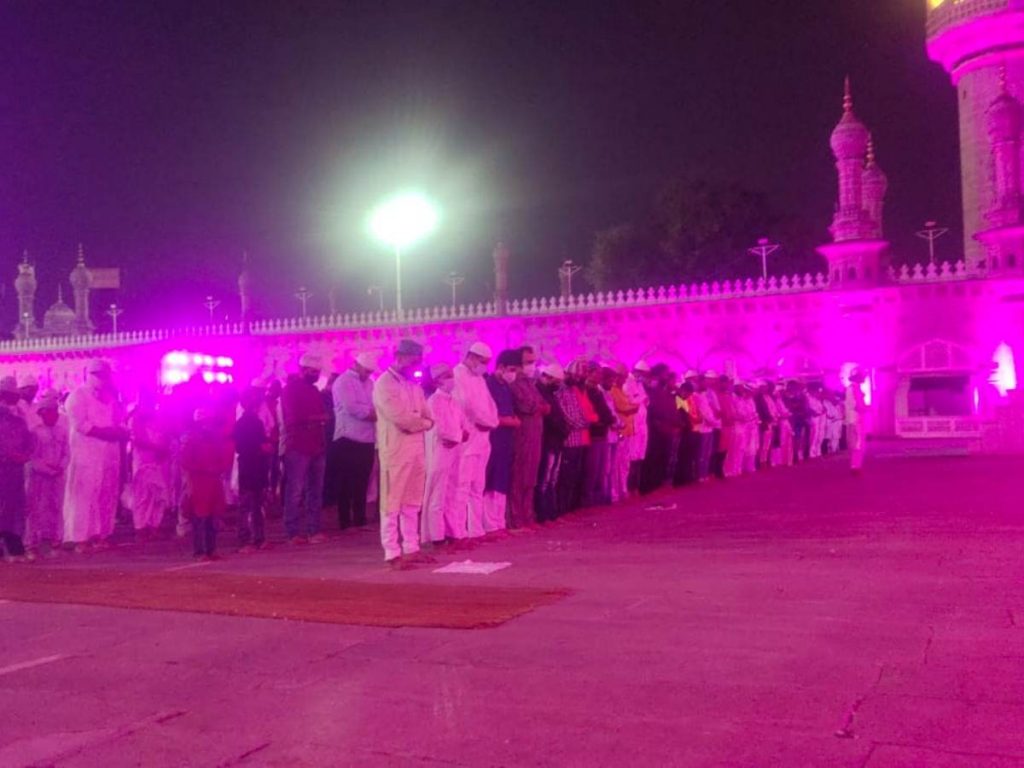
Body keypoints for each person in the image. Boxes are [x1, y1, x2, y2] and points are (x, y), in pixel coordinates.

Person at [373, 339, 433, 567]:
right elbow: (402, 420)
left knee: (412, 501)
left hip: (416, 449)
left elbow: (429, 415)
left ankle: (412, 547)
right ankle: (392, 552)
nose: (416, 365)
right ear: (399, 357)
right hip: (395, 452)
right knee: (391, 503)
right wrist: (423, 423)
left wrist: (422, 422)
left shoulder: (413, 384)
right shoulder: (384, 384)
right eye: (413, 360)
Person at [63, 359, 128, 553]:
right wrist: (109, 433)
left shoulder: (110, 398)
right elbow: (82, 426)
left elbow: (119, 422)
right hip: (86, 457)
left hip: (109, 455)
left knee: (106, 495)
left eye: (105, 375)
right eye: (98, 375)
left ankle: (101, 534)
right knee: (84, 497)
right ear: (89, 375)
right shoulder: (77, 397)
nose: (102, 379)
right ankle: (79, 538)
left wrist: (117, 430)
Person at [281, 353, 329, 544]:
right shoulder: (290, 390)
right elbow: (292, 418)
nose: (315, 375)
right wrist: (318, 418)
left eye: (317, 372)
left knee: (315, 491)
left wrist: (319, 418)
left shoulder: (314, 391)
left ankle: (313, 529)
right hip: (298, 446)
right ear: (302, 371)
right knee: (295, 491)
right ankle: (292, 532)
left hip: (317, 444)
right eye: (312, 372)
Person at [453, 342, 499, 540]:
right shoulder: (457, 375)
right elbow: (468, 406)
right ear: (471, 357)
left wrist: (492, 422)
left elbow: (490, 404)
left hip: (484, 437)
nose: (485, 366)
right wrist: (486, 422)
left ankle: (476, 530)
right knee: (462, 486)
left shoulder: (479, 378)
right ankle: (459, 532)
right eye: (483, 362)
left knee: (478, 486)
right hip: (467, 439)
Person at [331, 352, 378, 530]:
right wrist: (372, 414)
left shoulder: (370, 383)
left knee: (362, 480)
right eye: (365, 371)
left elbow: (375, 405)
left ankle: (359, 517)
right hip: (347, 438)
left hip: (366, 439)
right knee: (346, 481)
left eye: (370, 372)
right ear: (356, 365)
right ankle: (344, 520)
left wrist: (372, 412)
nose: (367, 375)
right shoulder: (343, 381)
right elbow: (352, 407)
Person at [423, 363, 467, 548]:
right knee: (437, 495)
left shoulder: (453, 401)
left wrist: (462, 433)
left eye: (451, 374)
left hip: (454, 451)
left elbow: (463, 424)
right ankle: (437, 536)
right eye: (446, 376)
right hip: (440, 452)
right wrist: (457, 435)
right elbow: (441, 429)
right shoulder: (433, 402)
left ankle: (452, 532)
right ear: (437, 381)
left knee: (452, 492)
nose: (451, 379)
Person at [181, 408, 234, 559]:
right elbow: (185, 462)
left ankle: (211, 549)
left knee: (212, 517)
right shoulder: (191, 441)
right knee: (200, 518)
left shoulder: (214, 441)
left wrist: (217, 469)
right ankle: (200, 550)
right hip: (199, 483)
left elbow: (222, 460)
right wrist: (205, 469)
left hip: (213, 483)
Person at [508, 346, 548, 529]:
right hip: (521, 436)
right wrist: (538, 408)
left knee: (531, 477)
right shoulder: (514, 382)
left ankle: (528, 515)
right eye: (528, 362)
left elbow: (544, 405)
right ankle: (516, 518)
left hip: (535, 435)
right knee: (519, 477)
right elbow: (527, 406)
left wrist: (538, 407)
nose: (532, 365)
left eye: (533, 361)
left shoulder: (531, 384)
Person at [25, 390, 68, 558]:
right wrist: (48, 470)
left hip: (57, 475)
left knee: (56, 508)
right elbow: (32, 457)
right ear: (42, 414)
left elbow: (67, 452)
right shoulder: (35, 432)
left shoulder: (62, 431)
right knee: (35, 509)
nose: (55, 415)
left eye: (56, 412)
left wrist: (61, 467)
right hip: (39, 477)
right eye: (51, 412)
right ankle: (31, 543)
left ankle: (54, 540)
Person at [483, 349, 522, 536]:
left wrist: (512, 420)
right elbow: (489, 415)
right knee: (490, 481)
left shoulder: (505, 387)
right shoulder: (489, 385)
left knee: (502, 480)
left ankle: (499, 523)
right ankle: (490, 525)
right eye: (511, 369)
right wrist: (509, 421)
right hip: (493, 439)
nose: (512, 374)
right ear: (500, 367)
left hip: (507, 439)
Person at [127, 389, 172, 538]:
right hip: (142, 462)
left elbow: (165, 435)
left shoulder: (158, 417)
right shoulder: (135, 418)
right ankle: (140, 527)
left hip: (158, 461)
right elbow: (138, 440)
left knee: (158, 495)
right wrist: (157, 448)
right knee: (142, 496)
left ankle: (154, 526)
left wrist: (163, 450)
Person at [234, 386, 272, 551]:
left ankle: (255, 538)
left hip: (252, 466)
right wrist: (263, 447)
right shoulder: (250, 423)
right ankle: (249, 539)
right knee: (250, 504)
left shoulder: (246, 422)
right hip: (251, 466)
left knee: (254, 504)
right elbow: (247, 446)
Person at [556, 360, 596, 516]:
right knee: (565, 476)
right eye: (576, 376)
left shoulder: (574, 391)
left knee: (574, 475)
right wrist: (584, 423)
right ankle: (562, 509)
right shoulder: (561, 392)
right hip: (569, 440)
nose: (578, 379)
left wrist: (584, 422)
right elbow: (568, 417)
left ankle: (570, 507)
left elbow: (581, 414)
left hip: (580, 439)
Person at [0, 377, 34, 562]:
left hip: (16, 469)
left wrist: (26, 455)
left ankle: (14, 546)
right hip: (3, 467)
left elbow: (30, 440)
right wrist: (11, 455)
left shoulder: (19, 417)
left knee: (15, 508)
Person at [535, 362, 569, 523]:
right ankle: (543, 513)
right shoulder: (540, 392)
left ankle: (551, 512)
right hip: (548, 440)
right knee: (545, 479)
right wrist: (562, 428)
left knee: (552, 478)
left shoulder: (551, 394)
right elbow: (551, 419)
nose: (558, 385)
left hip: (556, 441)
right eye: (556, 382)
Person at [582, 362, 615, 506]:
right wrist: (603, 420)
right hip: (593, 434)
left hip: (602, 433)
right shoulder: (586, 391)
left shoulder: (597, 391)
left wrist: (607, 420)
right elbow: (593, 413)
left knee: (601, 470)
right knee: (592, 470)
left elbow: (606, 412)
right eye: (597, 373)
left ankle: (596, 500)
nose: (600, 376)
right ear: (589, 373)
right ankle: (587, 501)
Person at [609, 364, 639, 502]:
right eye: (623, 377)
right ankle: (614, 492)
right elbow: (623, 409)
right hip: (619, 432)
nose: (624, 380)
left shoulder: (622, 391)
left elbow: (629, 408)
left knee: (625, 462)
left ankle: (623, 489)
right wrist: (634, 407)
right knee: (616, 463)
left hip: (628, 431)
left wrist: (632, 408)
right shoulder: (612, 391)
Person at [626, 361, 650, 492]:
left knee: (640, 454)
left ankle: (635, 486)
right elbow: (631, 401)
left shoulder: (640, 384)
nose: (644, 377)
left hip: (642, 424)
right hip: (633, 424)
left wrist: (642, 398)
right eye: (643, 374)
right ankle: (630, 486)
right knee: (632, 455)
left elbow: (646, 400)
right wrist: (641, 398)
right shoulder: (628, 383)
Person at [845, 370, 869, 473]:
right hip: (854, 417)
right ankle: (855, 465)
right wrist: (862, 408)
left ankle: (856, 464)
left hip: (857, 417)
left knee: (858, 441)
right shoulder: (852, 389)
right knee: (856, 442)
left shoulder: (856, 388)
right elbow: (852, 404)